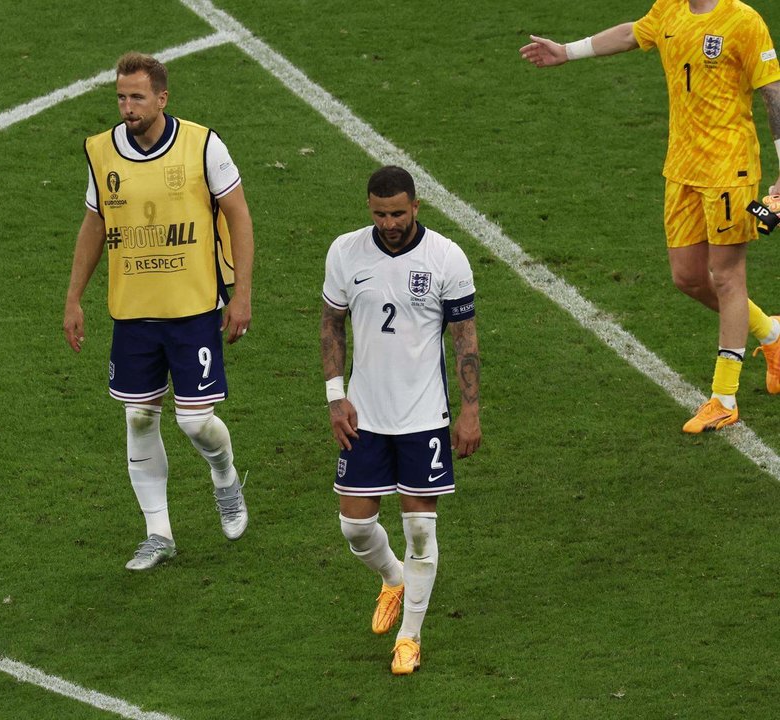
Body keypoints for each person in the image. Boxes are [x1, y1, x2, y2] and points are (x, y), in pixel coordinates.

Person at [520, 0, 780, 433]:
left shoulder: (743, 20)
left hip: (728, 170)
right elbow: (631, 32)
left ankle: (724, 397)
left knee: (727, 276)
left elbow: (774, 92)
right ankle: (771, 336)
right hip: (681, 168)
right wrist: (567, 51)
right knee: (689, 277)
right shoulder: (670, 9)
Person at [63, 52, 254, 570]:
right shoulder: (102, 153)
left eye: (137, 97)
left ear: (162, 98)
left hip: (193, 306)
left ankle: (225, 477)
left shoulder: (202, 145)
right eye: (122, 97)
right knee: (140, 415)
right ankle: (158, 532)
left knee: (195, 424)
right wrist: (74, 298)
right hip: (133, 312)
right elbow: (94, 224)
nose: (128, 107)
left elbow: (238, 215)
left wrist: (242, 294)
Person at [320, 166, 481, 675]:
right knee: (355, 526)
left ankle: (409, 638)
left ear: (416, 207)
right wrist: (334, 397)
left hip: (423, 418)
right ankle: (393, 579)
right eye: (379, 213)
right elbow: (331, 325)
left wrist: (469, 409)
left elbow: (464, 339)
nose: (388, 222)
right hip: (365, 415)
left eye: (397, 213)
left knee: (418, 530)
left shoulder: (446, 258)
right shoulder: (346, 252)